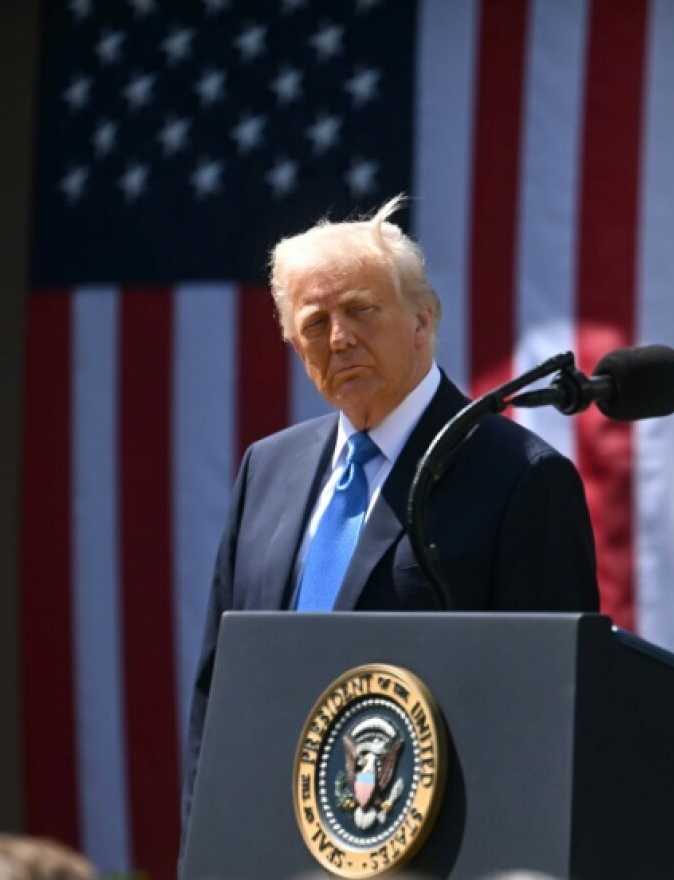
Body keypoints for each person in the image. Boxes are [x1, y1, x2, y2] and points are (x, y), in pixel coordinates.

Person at [183, 195, 599, 824]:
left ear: (423, 321)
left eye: (360, 311)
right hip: (270, 839)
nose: (340, 338)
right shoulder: (268, 470)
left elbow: (550, 708)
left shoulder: (520, 477)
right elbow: (220, 694)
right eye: (315, 324)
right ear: (296, 345)